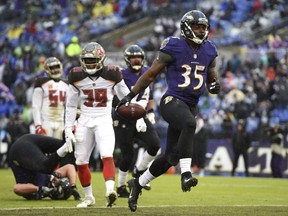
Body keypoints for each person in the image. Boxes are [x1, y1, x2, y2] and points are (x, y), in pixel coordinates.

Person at [117, 10, 221, 212]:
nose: (201, 30)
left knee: (170, 157)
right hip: (172, 100)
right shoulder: (173, 45)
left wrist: (215, 87)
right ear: (186, 27)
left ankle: (137, 183)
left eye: (203, 27)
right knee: (190, 124)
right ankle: (186, 174)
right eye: (197, 26)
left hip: (190, 105)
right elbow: (150, 75)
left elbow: (212, 80)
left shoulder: (209, 50)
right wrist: (130, 95)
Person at [64, 42, 130, 208]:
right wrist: (68, 128)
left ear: (101, 59)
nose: (90, 63)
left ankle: (109, 191)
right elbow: (71, 105)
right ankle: (89, 198)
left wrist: (140, 116)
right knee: (80, 161)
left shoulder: (113, 73)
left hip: (103, 119)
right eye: (87, 60)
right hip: (84, 120)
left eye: (93, 60)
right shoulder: (75, 76)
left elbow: (127, 96)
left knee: (107, 155)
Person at [113, 45, 161, 197]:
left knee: (155, 145)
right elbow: (116, 97)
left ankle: (139, 170)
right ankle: (120, 187)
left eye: (139, 57)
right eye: (133, 57)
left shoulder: (148, 71)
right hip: (123, 117)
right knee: (127, 155)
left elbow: (150, 94)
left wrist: (151, 111)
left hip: (141, 115)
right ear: (127, 60)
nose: (136, 60)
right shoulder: (121, 75)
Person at [8, 134, 81, 200]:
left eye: (60, 182)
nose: (59, 179)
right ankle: (69, 133)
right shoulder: (51, 178)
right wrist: (73, 186)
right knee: (64, 145)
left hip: (19, 151)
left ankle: (66, 145)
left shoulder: (41, 190)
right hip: (29, 141)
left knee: (46, 168)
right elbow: (70, 167)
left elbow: (16, 188)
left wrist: (40, 189)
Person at [32, 57, 69, 139]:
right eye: (52, 68)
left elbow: (70, 107)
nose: (55, 70)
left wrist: (71, 125)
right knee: (45, 149)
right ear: (47, 70)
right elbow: (36, 106)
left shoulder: (66, 84)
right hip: (46, 121)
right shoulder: (41, 82)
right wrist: (38, 125)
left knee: (60, 149)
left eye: (57, 67)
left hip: (61, 122)